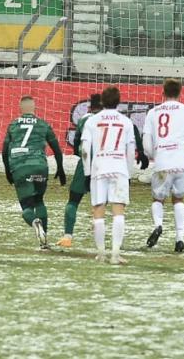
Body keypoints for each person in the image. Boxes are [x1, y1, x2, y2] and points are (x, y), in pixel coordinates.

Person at [142, 78, 184, 253]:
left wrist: (154, 156)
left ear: (163, 92)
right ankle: (179, 239)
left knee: (158, 199)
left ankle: (158, 225)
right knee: (178, 199)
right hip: (183, 162)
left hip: (163, 161)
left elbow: (146, 142)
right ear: (180, 92)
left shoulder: (153, 112)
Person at [80, 86, 137, 265]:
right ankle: (115, 253)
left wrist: (87, 171)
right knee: (118, 210)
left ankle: (101, 253)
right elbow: (130, 150)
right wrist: (129, 172)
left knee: (98, 210)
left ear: (102, 101)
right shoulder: (126, 122)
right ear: (119, 101)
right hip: (119, 167)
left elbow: (84, 149)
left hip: (99, 168)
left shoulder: (92, 121)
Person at [2, 96, 66, 250]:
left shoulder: (13, 125)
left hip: (20, 166)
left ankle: (34, 222)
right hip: (39, 166)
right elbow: (56, 149)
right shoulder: (43, 124)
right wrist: (60, 168)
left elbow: (4, 151)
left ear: (21, 108)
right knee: (39, 201)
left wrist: (7, 171)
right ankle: (44, 241)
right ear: (34, 108)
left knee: (27, 208)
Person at [57, 93, 102, 249]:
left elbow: (76, 143)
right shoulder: (114, 119)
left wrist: (79, 154)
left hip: (86, 163)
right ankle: (99, 235)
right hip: (106, 165)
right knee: (102, 202)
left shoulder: (85, 120)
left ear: (90, 107)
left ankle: (68, 236)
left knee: (73, 201)